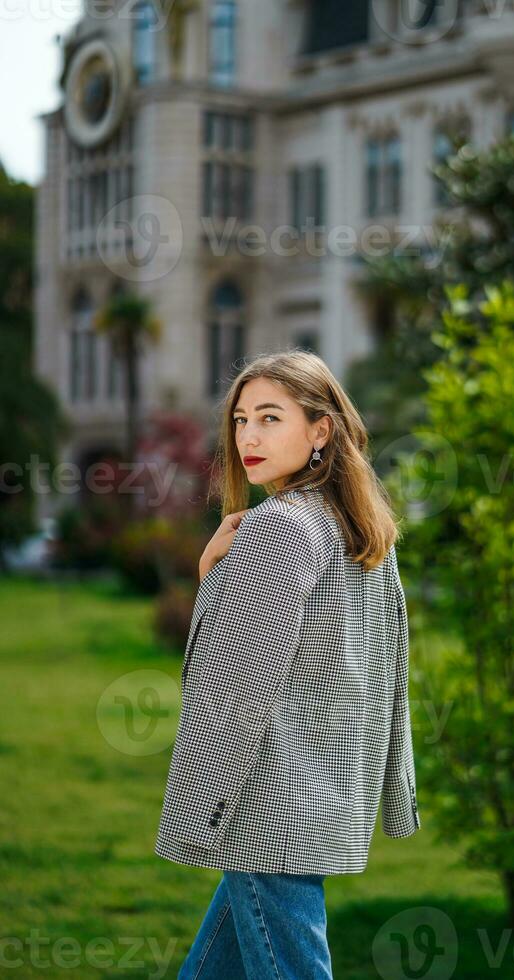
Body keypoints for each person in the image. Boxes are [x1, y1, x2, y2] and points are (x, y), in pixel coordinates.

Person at [153, 349, 421, 979]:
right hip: (325, 794)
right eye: (242, 419)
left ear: (320, 429)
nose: (249, 435)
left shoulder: (279, 527)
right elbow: (384, 680)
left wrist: (208, 576)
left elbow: (231, 681)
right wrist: (393, 786)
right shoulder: (358, 531)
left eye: (271, 418)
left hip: (265, 799)